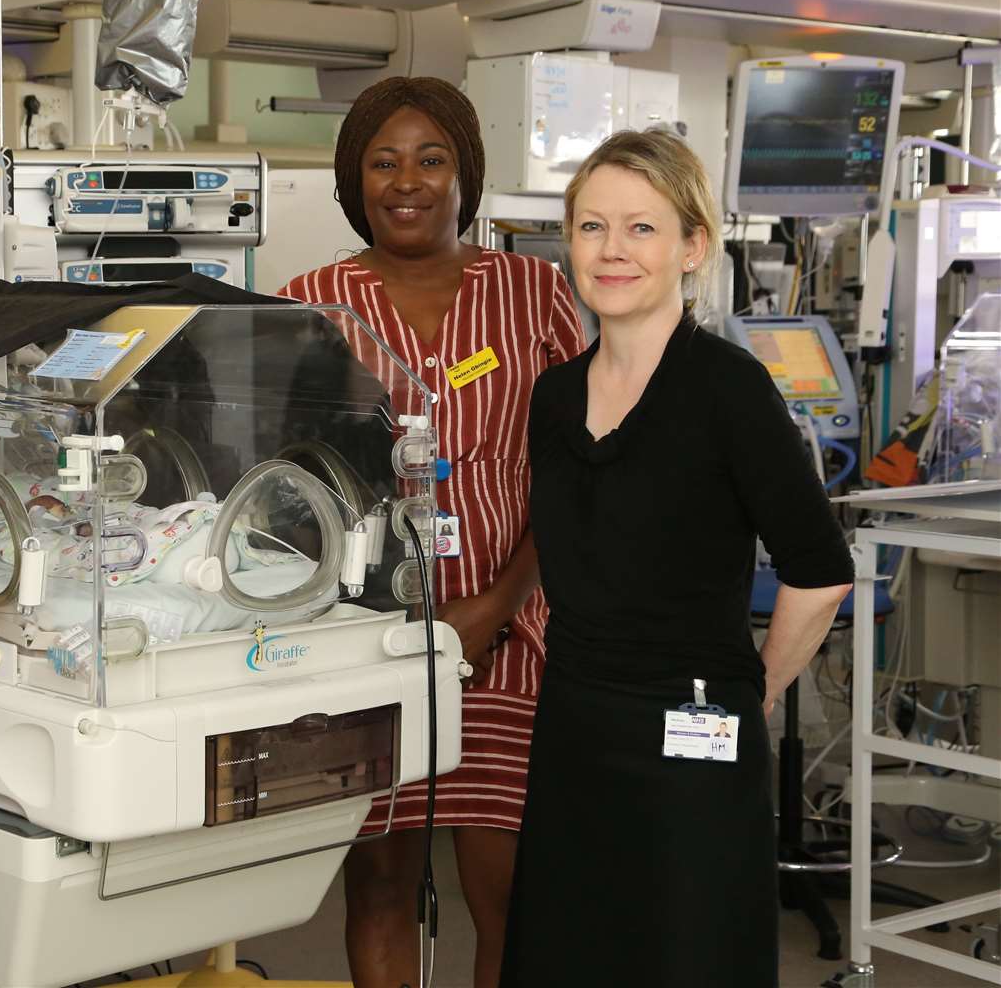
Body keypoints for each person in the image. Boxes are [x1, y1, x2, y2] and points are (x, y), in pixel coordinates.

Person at [501, 130, 853, 986]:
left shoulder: (727, 389)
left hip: (694, 730)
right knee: (569, 954)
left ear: (693, 247)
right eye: (591, 227)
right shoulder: (553, 396)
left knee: (684, 957)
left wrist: (755, 684)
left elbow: (819, 566)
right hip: (577, 721)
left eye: (641, 228)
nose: (612, 250)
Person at [281, 77, 586, 988]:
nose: (405, 181)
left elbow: (577, 469)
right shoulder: (312, 303)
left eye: (430, 158)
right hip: (366, 638)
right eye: (383, 161)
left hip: (514, 631)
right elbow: (289, 484)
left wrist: (499, 602)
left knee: (508, 888)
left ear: (466, 176)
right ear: (353, 179)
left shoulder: (533, 293)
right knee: (379, 885)